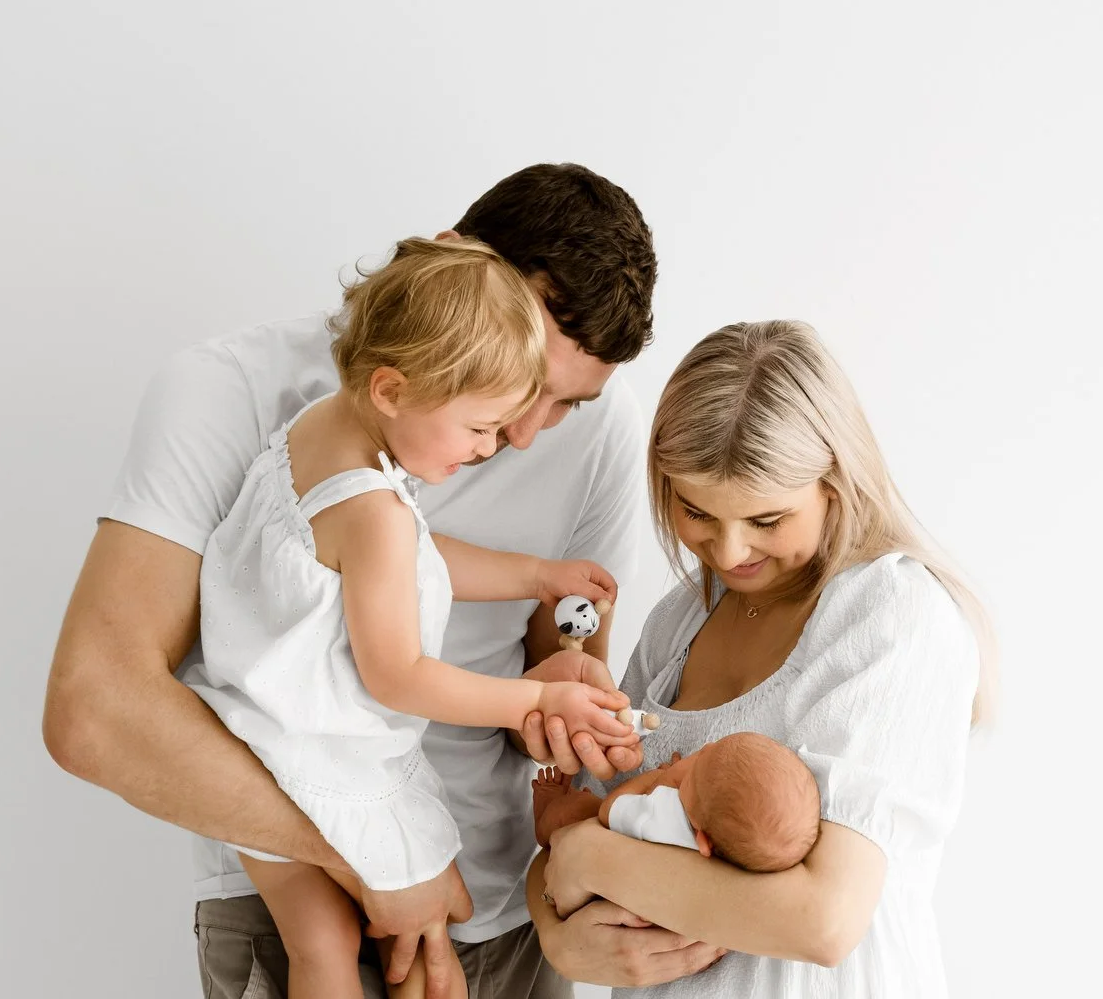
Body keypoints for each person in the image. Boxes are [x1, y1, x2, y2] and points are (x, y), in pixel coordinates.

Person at [43, 164, 710, 999]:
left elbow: (544, 649)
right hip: (297, 887)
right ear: (447, 261)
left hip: (506, 916)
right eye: (526, 381)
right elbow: (95, 712)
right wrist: (375, 860)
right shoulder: (231, 392)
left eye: (567, 404)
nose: (525, 435)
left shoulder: (597, 435)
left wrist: (562, 703)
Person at [186, 236, 634, 999]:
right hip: (316, 768)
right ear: (392, 390)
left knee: (356, 934)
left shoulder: (320, 436)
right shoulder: (376, 513)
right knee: (363, 940)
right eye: (481, 427)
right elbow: (398, 676)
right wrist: (536, 698)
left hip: (256, 738)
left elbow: (409, 559)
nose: (493, 447)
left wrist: (535, 574)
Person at [528, 319, 996, 997]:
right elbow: (574, 826)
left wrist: (589, 858)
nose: (728, 553)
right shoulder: (680, 621)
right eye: (697, 513)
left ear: (835, 482)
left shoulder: (890, 614)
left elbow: (822, 921)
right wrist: (556, 931)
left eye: (766, 521)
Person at [531, 732, 820, 874]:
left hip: (597, 870)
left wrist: (659, 778)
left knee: (578, 812)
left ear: (702, 841)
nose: (705, 747)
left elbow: (610, 810)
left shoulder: (664, 814)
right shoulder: (728, 847)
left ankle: (545, 813)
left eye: (698, 763)